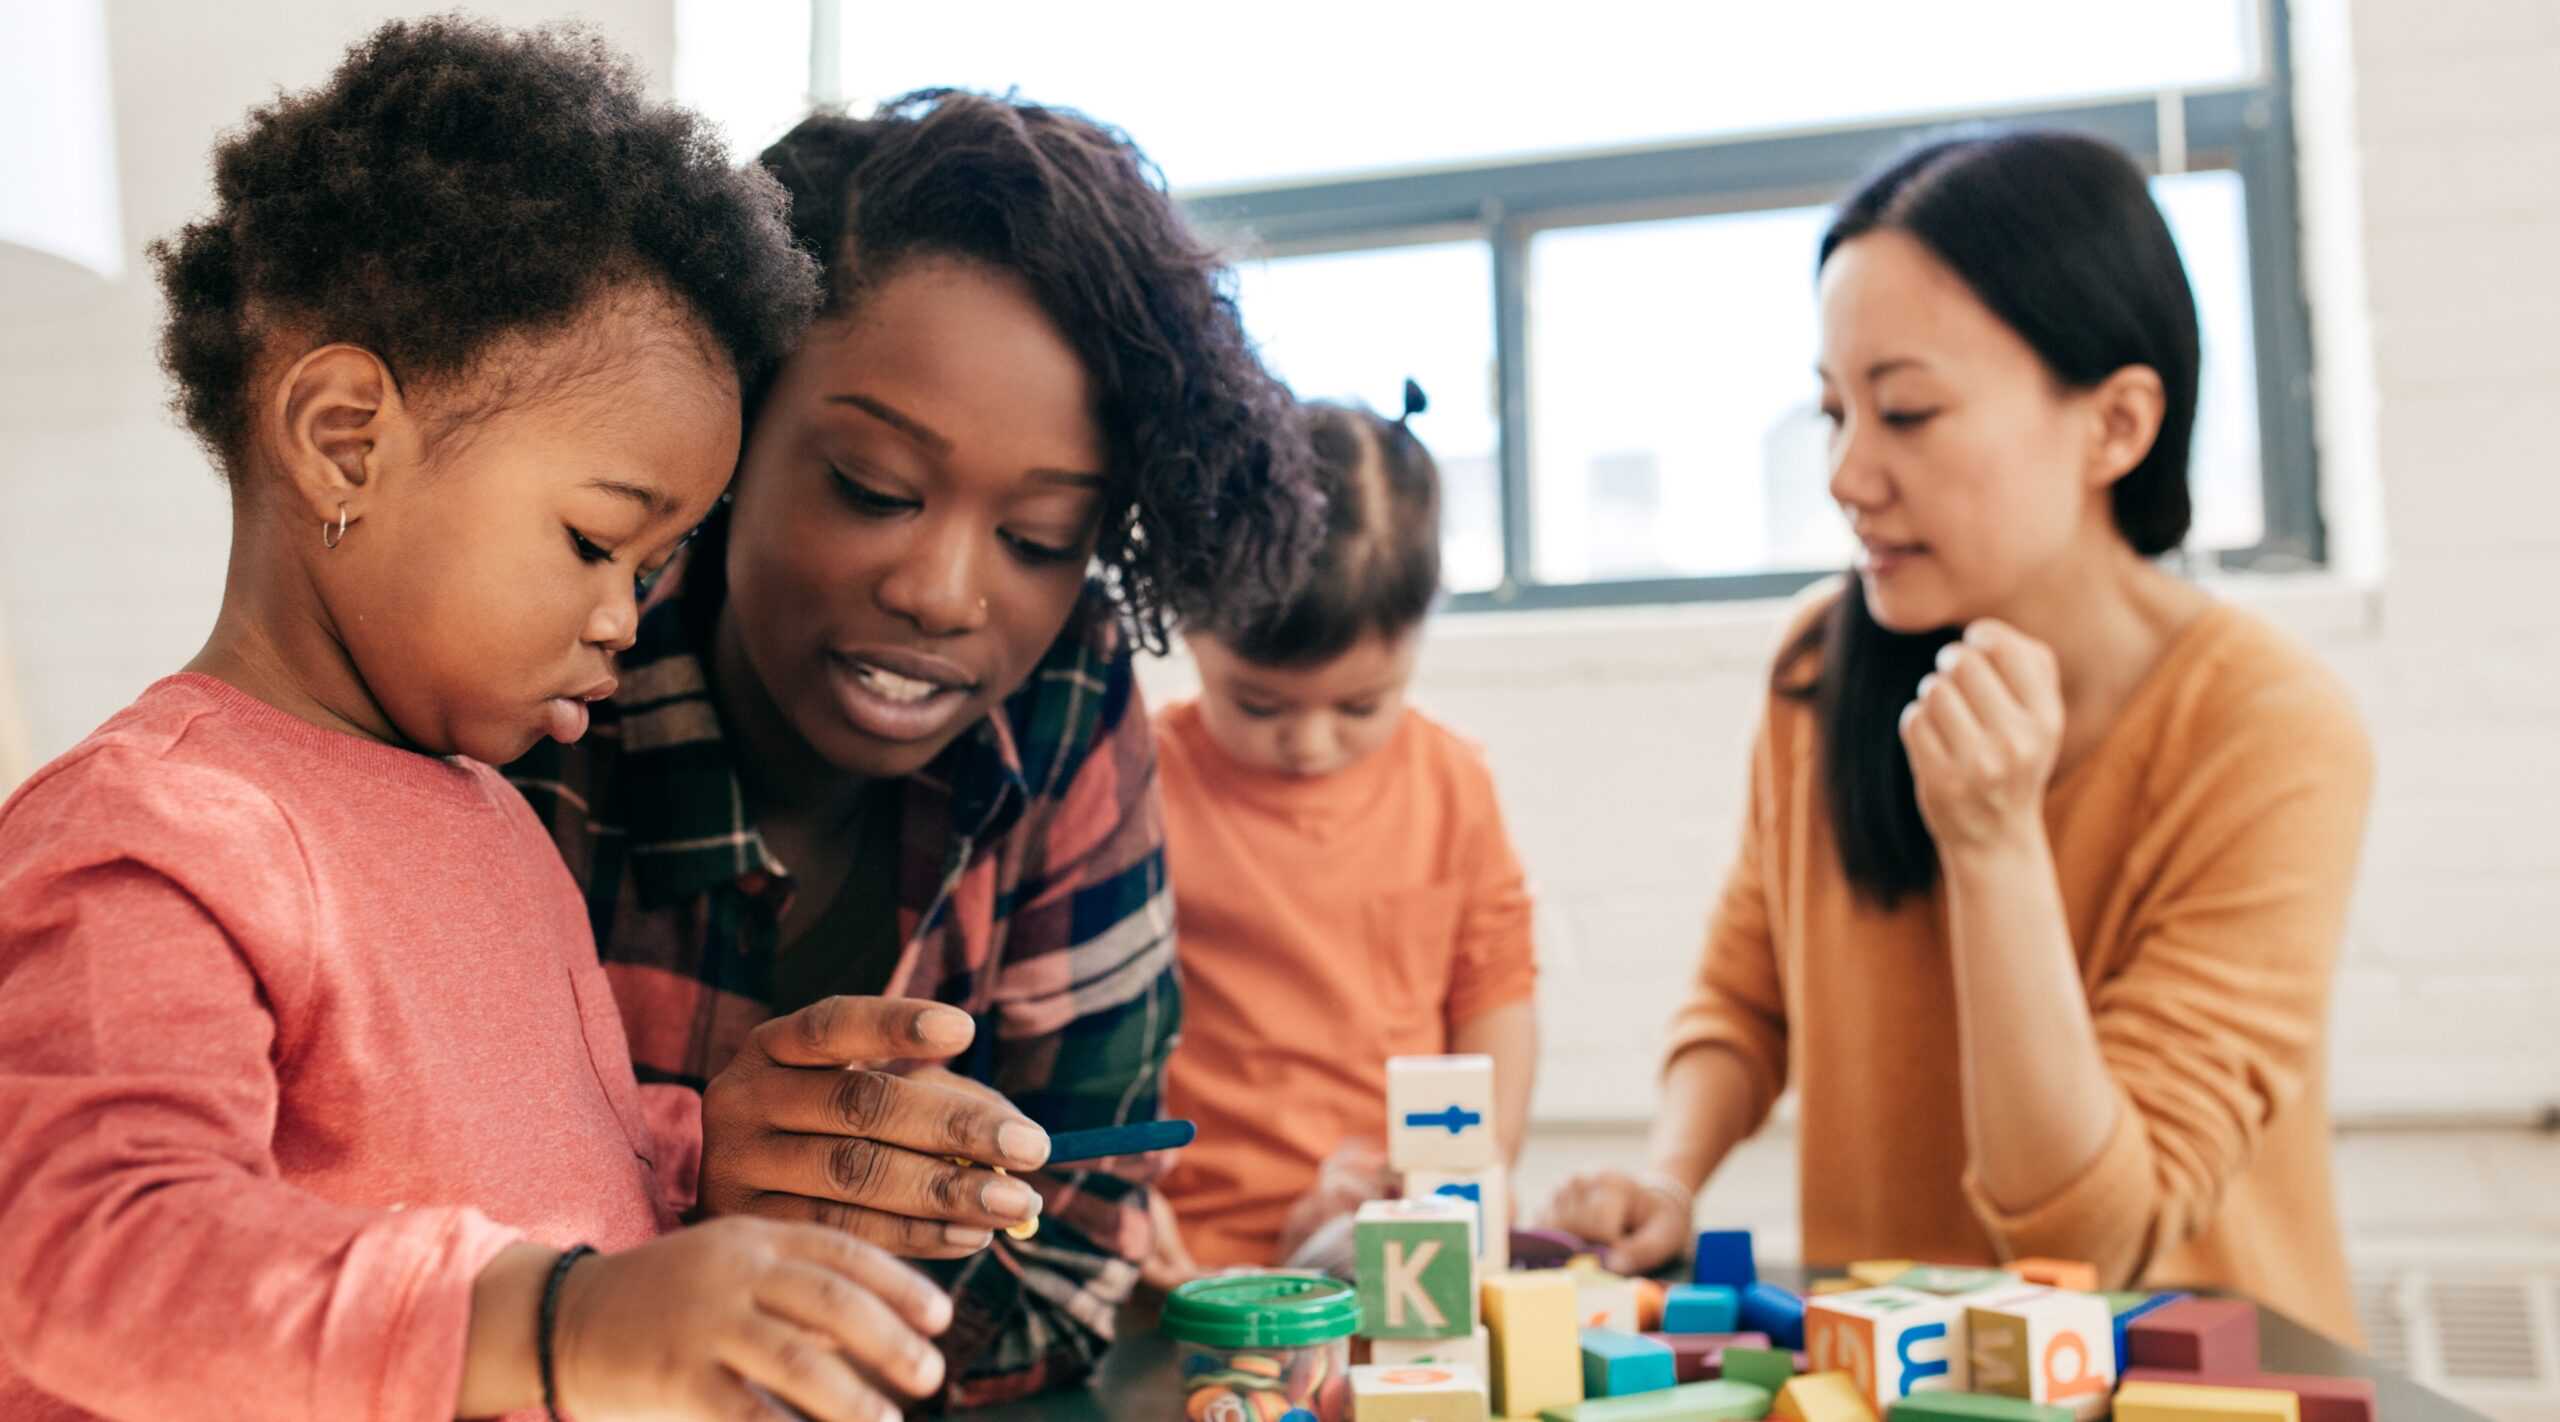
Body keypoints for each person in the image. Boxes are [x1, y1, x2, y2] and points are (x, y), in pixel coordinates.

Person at [0, 20, 957, 1420]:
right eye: (594, 542)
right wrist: (565, 1317)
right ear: (344, 438)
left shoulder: (498, 821)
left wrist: (701, 1170)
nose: (626, 619)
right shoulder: (156, 832)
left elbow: (502, 1176)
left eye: (652, 570)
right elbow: (88, 1253)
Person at [505, 89, 1325, 1404]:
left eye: (1042, 537)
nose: (947, 591)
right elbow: (396, 1249)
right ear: (733, 429)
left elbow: (1080, 1245)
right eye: (875, 487)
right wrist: (686, 1194)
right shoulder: (536, 699)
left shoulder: (1067, 687)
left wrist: (798, 1288)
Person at [1543, 129, 2374, 1343]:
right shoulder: (1824, 663)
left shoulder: (2268, 732)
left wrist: (1992, 843)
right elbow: (1747, 990)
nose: (1845, 473)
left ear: (2116, 425)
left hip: (2183, 1393)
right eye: (1833, 411)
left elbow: (2083, 1241)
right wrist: (1667, 1179)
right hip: (1887, 1378)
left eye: (1908, 412)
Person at [1148, 385, 1540, 1278]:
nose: (1310, 742)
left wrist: (1484, 1165)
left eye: (1361, 705)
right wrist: (1108, 1197)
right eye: (1258, 703)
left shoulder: (1452, 784)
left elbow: (1496, 991)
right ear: (1191, 626)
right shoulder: (1139, 781)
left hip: (1398, 1249)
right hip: (1194, 1263)